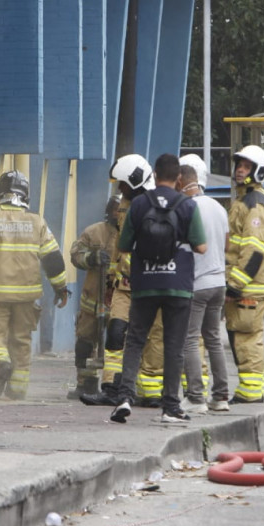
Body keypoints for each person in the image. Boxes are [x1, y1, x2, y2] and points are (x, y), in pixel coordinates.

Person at [109, 153, 207, 424]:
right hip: (178, 286)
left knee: (136, 340)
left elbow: (124, 246)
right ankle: (171, 407)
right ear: (178, 178)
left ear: (155, 173)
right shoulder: (187, 205)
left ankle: (124, 398)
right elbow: (201, 246)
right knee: (174, 346)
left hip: (145, 285)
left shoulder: (139, 204)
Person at [0, 170, 69, 400]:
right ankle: (17, 389)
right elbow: (53, 259)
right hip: (27, 298)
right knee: (21, 340)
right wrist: (61, 288)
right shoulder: (37, 221)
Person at [80, 155, 166, 407]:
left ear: (136, 181)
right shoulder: (125, 206)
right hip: (125, 285)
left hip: (151, 281)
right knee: (116, 332)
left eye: (122, 183)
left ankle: (150, 392)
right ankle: (111, 389)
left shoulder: (158, 204)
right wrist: (112, 280)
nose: (119, 189)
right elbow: (120, 247)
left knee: (153, 338)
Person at [176, 156, 231, 413]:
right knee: (213, 340)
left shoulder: (186, 209)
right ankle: (220, 397)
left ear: (182, 181)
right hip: (219, 282)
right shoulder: (219, 208)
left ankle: (196, 397)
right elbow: (228, 244)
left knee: (189, 339)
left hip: (196, 284)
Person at [224, 145, 264, 404]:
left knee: (247, 336)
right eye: (239, 165)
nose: (239, 170)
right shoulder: (244, 200)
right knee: (238, 334)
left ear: (258, 172)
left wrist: (235, 285)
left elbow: (254, 250)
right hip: (247, 284)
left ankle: (251, 393)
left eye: (246, 166)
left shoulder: (255, 204)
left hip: (250, 287)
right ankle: (248, 389)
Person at [67, 196, 120, 399]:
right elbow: (76, 255)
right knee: (85, 343)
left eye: (122, 210)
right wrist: (91, 258)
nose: (119, 213)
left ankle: (114, 383)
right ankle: (86, 383)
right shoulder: (94, 232)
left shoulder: (133, 232)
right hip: (93, 300)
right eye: (116, 209)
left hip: (119, 301)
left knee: (117, 343)